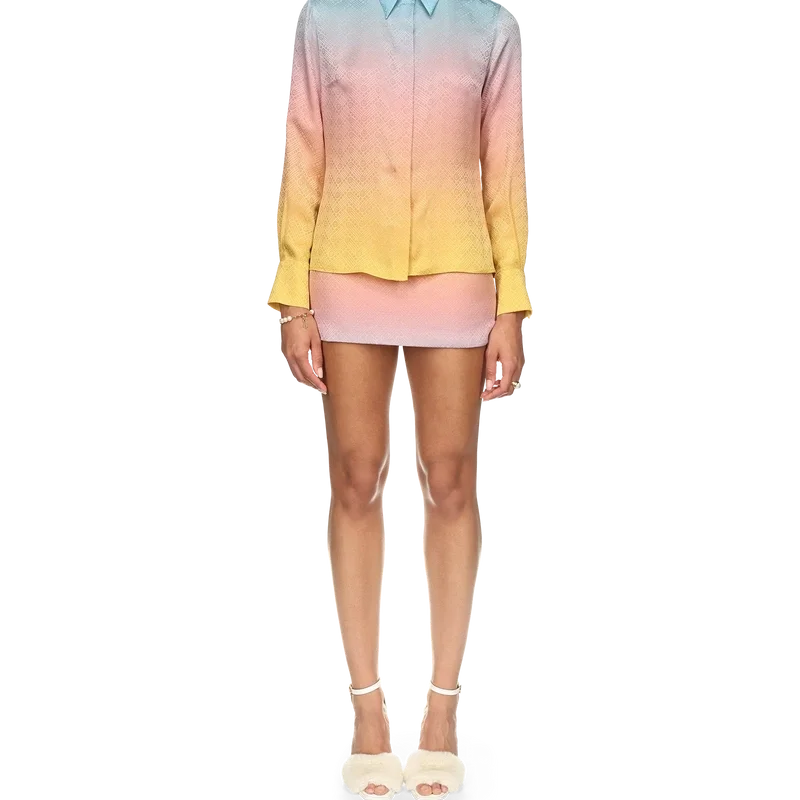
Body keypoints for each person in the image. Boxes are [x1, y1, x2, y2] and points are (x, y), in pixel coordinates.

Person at [266, 1, 533, 797]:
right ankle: (368, 713)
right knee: (354, 479)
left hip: (458, 268)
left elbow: (503, 166)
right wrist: (292, 299)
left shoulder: (489, 23)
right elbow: (302, 152)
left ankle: (442, 712)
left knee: (451, 480)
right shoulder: (322, 19)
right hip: (343, 267)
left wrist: (512, 305)